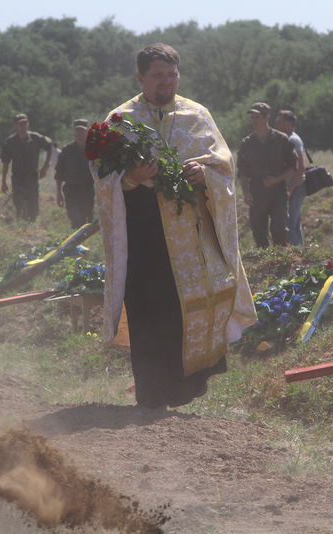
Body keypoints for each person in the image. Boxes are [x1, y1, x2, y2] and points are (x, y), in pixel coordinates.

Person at [95, 43, 256, 409]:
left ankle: (181, 390)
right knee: (148, 311)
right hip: (143, 234)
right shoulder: (121, 119)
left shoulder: (197, 115)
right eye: (157, 75)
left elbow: (223, 166)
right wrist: (131, 177)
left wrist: (205, 174)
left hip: (190, 240)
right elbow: (102, 175)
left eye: (172, 74)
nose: (166, 82)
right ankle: (150, 395)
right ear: (140, 77)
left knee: (185, 309)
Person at [237, 102, 296, 248]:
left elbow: (292, 168)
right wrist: (246, 193)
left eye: (257, 117)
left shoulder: (281, 139)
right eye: (252, 117)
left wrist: (277, 179)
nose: (254, 121)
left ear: (266, 118)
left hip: (278, 193)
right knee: (259, 233)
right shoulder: (247, 143)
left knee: (279, 230)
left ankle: (281, 263)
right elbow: (242, 173)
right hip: (257, 192)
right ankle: (264, 266)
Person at [0, 113, 52, 222]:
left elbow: (49, 147)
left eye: (25, 123)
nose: (23, 126)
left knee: (33, 204)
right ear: (15, 126)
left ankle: (31, 226)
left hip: (32, 177)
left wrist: (45, 167)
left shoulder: (36, 138)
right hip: (17, 177)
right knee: (19, 203)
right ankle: (22, 225)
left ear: (28, 124)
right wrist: (3, 181)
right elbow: (5, 162)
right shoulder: (10, 142)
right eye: (20, 124)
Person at [55, 119, 95, 228]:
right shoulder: (67, 150)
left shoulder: (93, 149)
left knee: (87, 220)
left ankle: (84, 242)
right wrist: (58, 193)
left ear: (87, 131)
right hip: (71, 190)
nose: (79, 132)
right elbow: (59, 172)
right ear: (74, 131)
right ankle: (75, 242)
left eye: (82, 130)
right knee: (76, 220)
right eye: (77, 130)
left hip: (88, 190)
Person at [275, 110, 307, 246]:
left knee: (291, 221)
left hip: (296, 187)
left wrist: (290, 189)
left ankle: (296, 251)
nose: (276, 125)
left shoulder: (292, 139)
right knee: (293, 220)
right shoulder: (285, 138)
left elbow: (300, 168)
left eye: (279, 122)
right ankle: (298, 249)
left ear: (288, 123)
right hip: (291, 186)